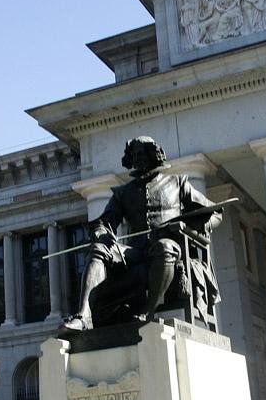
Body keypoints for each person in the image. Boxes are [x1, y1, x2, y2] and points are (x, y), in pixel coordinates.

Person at [59, 136, 222, 333]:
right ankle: (84, 316)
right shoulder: (123, 192)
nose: (138, 158)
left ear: (154, 155)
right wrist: (102, 234)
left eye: (142, 153)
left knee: (164, 247)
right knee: (98, 249)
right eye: (134, 154)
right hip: (135, 253)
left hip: (169, 248)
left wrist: (194, 228)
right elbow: (103, 222)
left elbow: (215, 213)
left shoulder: (178, 183)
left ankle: (148, 311)